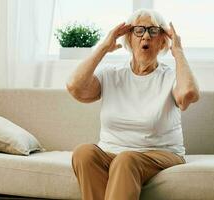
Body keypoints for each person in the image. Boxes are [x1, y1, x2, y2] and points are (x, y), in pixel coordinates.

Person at [66, 9, 199, 200]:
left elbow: (188, 94)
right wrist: (104, 46)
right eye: (139, 30)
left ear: (162, 41)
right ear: (128, 38)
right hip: (112, 153)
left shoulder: (170, 77)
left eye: (153, 31)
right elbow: (75, 87)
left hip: (160, 154)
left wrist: (178, 51)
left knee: (126, 159)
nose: (146, 36)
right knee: (84, 153)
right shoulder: (111, 74)